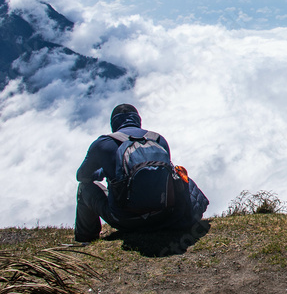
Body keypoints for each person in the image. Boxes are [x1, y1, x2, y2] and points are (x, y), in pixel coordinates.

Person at [74, 104, 209, 243]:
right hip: (165, 216)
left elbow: (82, 176)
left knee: (84, 188)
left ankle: (86, 239)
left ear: (113, 123)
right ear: (138, 120)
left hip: (125, 220)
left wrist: (103, 171)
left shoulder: (103, 143)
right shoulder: (158, 139)